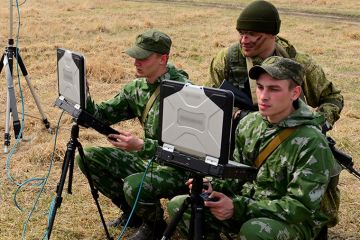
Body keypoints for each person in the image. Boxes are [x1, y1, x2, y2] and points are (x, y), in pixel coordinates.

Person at [168, 56, 342, 239]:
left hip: (294, 221)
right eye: (260, 87)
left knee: (254, 231)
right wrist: (212, 186)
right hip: (250, 204)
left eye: (274, 89)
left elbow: (300, 207)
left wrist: (237, 207)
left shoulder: (312, 142)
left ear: (295, 93)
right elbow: (238, 174)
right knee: (180, 205)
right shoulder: (249, 123)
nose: (263, 96)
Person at [75, 29, 191, 239]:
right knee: (88, 157)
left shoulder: (185, 94)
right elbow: (101, 115)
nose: (136, 62)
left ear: (163, 59)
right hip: (149, 159)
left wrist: (140, 146)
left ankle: (154, 225)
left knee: (134, 184)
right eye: (135, 56)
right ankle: (133, 214)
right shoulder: (136, 88)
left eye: (143, 58)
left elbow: (188, 153)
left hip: (179, 171)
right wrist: (83, 94)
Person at [206, 0, 343, 128]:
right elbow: (210, 100)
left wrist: (317, 125)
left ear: (272, 34)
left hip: (287, 141)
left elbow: (332, 98)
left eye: (252, 34)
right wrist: (239, 115)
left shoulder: (298, 63)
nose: (244, 40)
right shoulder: (226, 59)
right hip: (238, 138)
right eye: (241, 33)